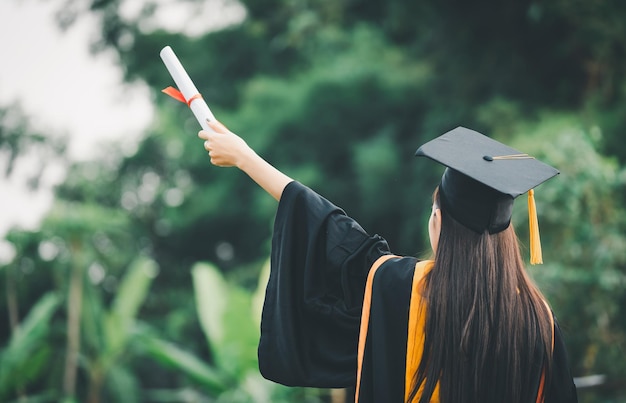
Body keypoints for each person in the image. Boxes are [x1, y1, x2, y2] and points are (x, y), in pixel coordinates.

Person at [198, 121, 578, 403]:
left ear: (438, 221)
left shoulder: (400, 287)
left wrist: (245, 158)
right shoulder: (538, 318)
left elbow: (332, 230)